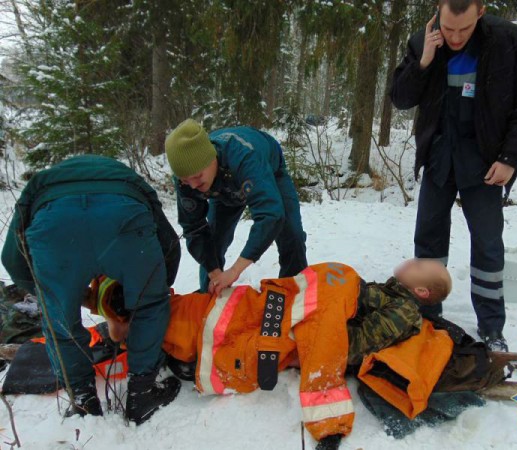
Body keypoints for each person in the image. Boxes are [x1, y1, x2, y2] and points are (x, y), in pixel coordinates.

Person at [87, 258, 452, 449]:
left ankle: (123, 317)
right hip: (266, 305)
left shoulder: (404, 312)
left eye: (420, 265)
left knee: (194, 327)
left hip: (278, 329)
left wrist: (305, 335)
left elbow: (351, 342)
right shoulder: (382, 292)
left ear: (421, 291)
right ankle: (121, 304)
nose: (412, 259)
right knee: (194, 310)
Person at [390, 0, 517, 351]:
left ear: (480, 12)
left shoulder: (510, 41)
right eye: (448, 29)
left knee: (488, 244)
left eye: (464, 29)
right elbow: (400, 98)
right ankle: (427, 317)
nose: (456, 37)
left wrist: (511, 156)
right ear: (438, 13)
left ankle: (492, 327)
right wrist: (425, 60)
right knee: (428, 242)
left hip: (485, 160)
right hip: (439, 155)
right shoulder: (423, 41)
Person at [1, 155, 182, 424]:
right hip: (123, 214)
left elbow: (11, 259)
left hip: (55, 224)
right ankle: (142, 393)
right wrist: (155, 288)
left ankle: (84, 402)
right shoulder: (129, 179)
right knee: (150, 305)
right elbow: (169, 244)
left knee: (60, 322)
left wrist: (49, 294)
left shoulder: (39, 185)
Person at [165, 119, 308, 294]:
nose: (193, 186)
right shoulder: (186, 181)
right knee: (213, 243)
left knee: (291, 233)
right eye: (185, 180)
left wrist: (234, 271)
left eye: (197, 176)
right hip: (221, 190)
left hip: (269, 171)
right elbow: (194, 229)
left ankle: (294, 293)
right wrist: (215, 273)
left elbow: (270, 215)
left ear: (211, 160)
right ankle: (209, 299)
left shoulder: (245, 157)